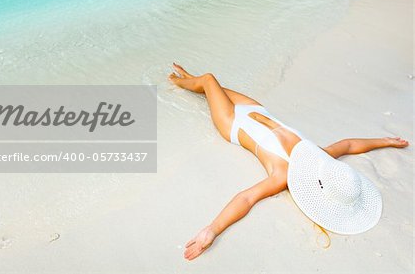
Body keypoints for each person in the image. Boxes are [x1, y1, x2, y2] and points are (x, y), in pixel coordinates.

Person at [168, 63, 409, 261]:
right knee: (210, 86)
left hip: (232, 122)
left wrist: (212, 229)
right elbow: (348, 145)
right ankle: (192, 81)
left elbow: (246, 198)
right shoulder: (319, 156)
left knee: (210, 81)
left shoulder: (283, 174)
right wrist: (385, 140)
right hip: (254, 108)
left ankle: (180, 82)